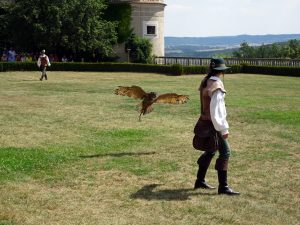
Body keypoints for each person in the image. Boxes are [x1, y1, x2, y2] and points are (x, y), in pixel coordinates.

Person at [193, 58, 240, 195]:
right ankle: (223, 187)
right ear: (222, 72)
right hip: (214, 125)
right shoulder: (217, 85)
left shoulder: (205, 81)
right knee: (225, 152)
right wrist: (223, 129)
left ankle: (200, 181)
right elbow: (216, 110)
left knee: (211, 151)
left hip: (204, 122)